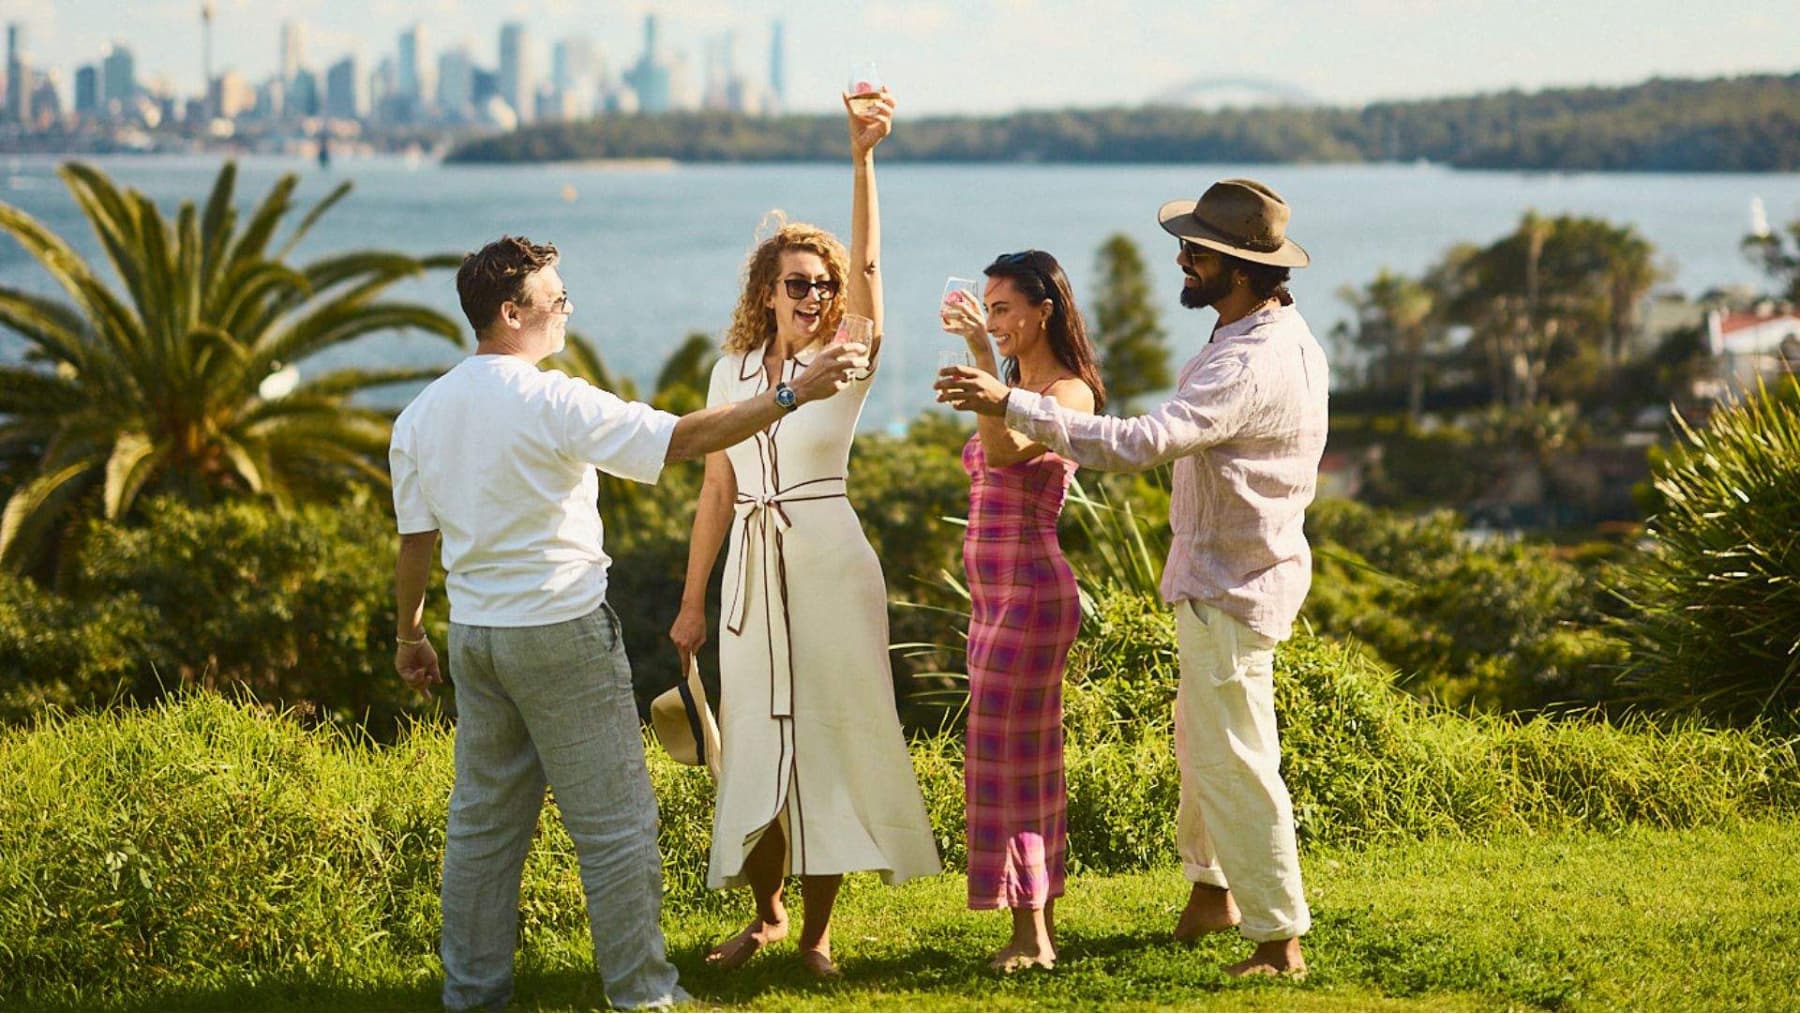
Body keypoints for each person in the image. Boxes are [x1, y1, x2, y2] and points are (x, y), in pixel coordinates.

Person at [389, 235, 870, 1011]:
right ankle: (644, 995)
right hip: (559, 633)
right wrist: (792, 396)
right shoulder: (553, 400)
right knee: (615, 824)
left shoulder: (420, 413)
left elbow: (416, 541)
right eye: (556, 298)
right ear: (512, 313)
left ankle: (472, 996)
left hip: (473, 640)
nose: (567, 307)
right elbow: (681, 439)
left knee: (482, 829)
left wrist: (410, 636)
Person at [935, 178, 1327, 978]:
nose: (1181, 262)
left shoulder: (1249, 362)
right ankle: (1213, 892)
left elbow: (1140, 443)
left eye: (1197, 254)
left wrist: (1012, 400)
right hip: (1224, 576)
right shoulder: (1254, 334)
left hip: (1234, 582)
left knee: (1236, 760)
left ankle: (1279, 936)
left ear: (1243, 269)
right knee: (1202, 747)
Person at [668, 88, 941, 979]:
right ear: (767, 289)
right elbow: (716, 486)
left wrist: (862, 158)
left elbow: (868, 263)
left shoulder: (848, 361)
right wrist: (690, 604)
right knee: (752, 743)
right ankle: (768, 914)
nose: (816, 294)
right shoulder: (732, 371)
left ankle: (819, 931)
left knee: (825, 737)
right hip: (747, 566)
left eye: (823, 284)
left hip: (830, 562)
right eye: (798, 282)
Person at [938, 250, 1103, 971]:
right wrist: (989, 375)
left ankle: (1033, 935)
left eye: (1003, 308)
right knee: (1004, 761)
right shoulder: (1012, 387)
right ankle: (1030, 924)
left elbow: (1004, 457)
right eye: (987, 308)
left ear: (1044, 310)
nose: (994, 319)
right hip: (991, 598)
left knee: (1016, 763)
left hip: (1033, 592)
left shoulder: (1069, 396)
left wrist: (980, 361)